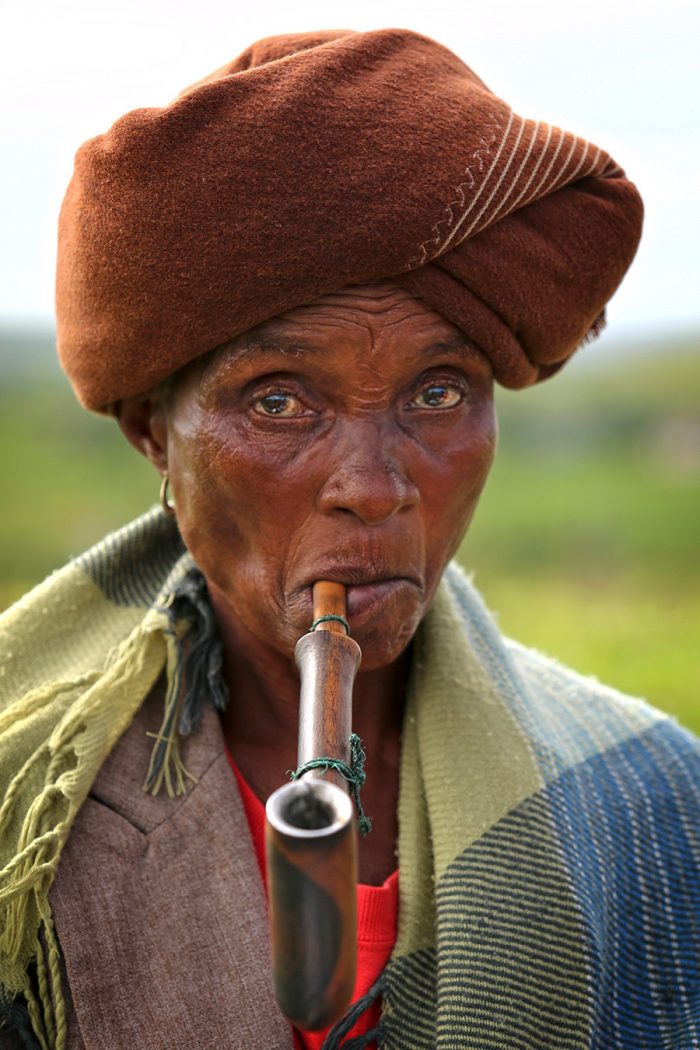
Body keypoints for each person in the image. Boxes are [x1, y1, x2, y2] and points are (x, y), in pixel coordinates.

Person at [1, 27, 698, 1050]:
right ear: (155, 432)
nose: (373, 489)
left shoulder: (653, 802)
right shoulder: (23, 797)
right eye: (280, 402)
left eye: (437, 392)